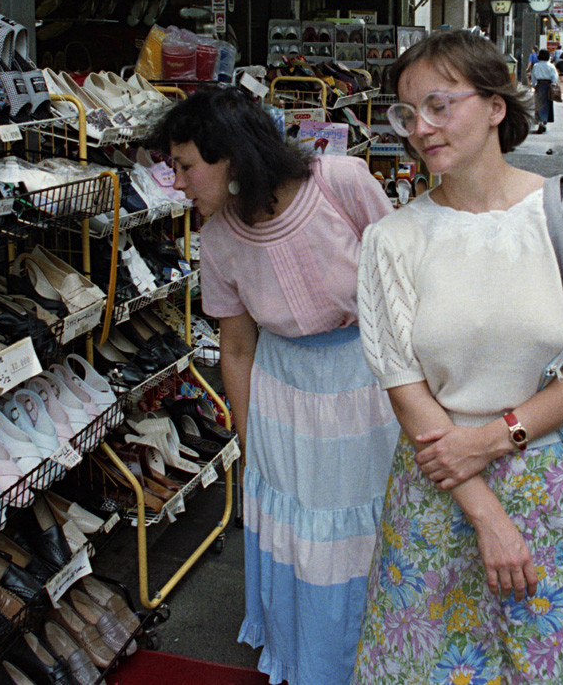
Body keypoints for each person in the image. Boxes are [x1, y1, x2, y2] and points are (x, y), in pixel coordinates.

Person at [350, 29, 563, 685]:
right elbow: (403, 383)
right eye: (406, 112)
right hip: (437, 482)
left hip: (544, 482)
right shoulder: (392, 240)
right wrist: (481, 504)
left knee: (535, 664)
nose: (420, 128)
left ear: (497, 107)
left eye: (439, 105)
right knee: (418, 663)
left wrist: (494, 439)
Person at [151, 87, 399, 685]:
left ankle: (383, 650)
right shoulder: (217, 240)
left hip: (369, 381)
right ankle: (310, 654)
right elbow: (236, 347)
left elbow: (404, 282)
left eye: (185, 166)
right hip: (283, 393)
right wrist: (249, 435)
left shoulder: (341, 182)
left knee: (368, 519)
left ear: (231, 155)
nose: (177, 183)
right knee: (301, 523)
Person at [529, 48, 556, 133]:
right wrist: (553, 84)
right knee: (547, 104)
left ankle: (540, 121)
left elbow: (533, 76)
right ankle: (544, 122)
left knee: (539, 103)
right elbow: (555, 76)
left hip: (539, 85)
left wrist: (534, 84)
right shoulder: (551, 66)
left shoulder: (536, 65)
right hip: (548, 86)